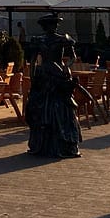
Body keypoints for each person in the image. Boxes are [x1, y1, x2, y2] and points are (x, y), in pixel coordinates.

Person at [25, 13, 82, 158]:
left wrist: (66, 66)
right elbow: (32, 61)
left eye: (54, 25)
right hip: (44, 75)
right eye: (50, 25)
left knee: (60, 105)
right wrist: (32, 78)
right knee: (43, 106)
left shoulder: (63, 39)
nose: (53, 27)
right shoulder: (39, 40)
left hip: (58, 73)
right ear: (45, 27)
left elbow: (73, 57)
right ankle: (45, 144)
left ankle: (63, 143)